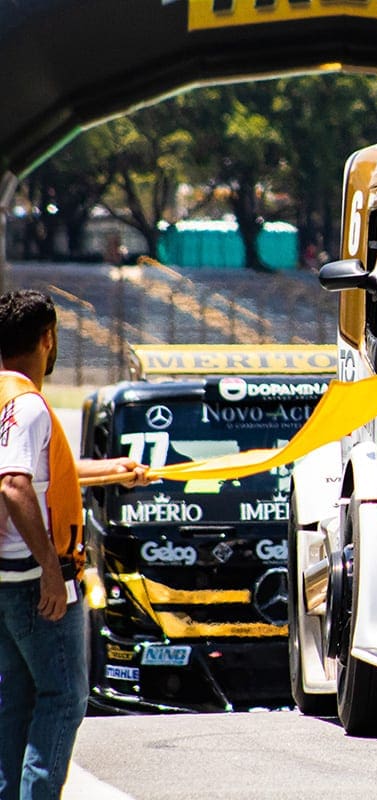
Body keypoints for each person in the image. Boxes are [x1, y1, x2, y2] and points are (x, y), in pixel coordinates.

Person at [0, 290, 148, 800]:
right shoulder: (28, 407)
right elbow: (15, 484)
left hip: (5, 580)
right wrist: (49, 568)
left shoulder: (2, 400)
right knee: (63, 698)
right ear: (47, 338)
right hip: (34, 583)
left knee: (16, 703)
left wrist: (113, 471)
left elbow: (44, 475)